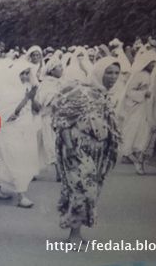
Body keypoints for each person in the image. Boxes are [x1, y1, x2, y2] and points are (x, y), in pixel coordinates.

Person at [52, 57, 121, 243]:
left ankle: (76, 230)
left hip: (98, 152)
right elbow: (62, 121)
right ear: (99, 72)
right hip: (77, 149)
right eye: (109, 72)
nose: (113, 77)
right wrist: (70, 148)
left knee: (91, 190)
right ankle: (74, 234)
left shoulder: (104, 95)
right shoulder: (82, 93)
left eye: (116, 73)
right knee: (82, 190)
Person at [0, 59, 41, 208]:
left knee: (12, 162)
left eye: (27, 73)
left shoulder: (28, 89)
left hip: (26, 130)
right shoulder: (7, 92)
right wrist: (26, 98)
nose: (25, 77)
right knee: (15, 161)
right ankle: (21, 196)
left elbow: (37, 109)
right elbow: (10, 116)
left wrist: (32, 98)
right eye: (22, 73)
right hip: (9, 131)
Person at [117, 51, 156, 174]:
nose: (153, 65)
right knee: (132, 128)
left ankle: (137, 151)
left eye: (154, 63)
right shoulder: (139, 75)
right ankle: (127, 152)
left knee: (143, 130)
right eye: (151, 63)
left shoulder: (151, 75)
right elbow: (130, 91)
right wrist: (143, 94)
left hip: (147, 106)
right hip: (137, 106)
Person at [35, 56, 63, 181]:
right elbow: (44, 100)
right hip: (46, 117)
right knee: (49, 144)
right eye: (59, 67)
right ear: (51, 70)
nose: (62, 69)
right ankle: (58, 172)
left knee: (48, 144)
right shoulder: (47, 83)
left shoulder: (59, 82)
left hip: (55, 117)